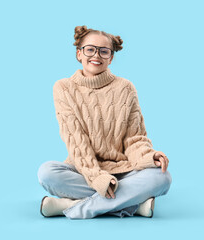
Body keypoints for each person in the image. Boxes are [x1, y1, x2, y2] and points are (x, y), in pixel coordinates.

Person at [37, 25, 172, 219]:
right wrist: (97, 177)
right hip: (85, 170)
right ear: (79, 54)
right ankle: (133, 205)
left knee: (163, 177)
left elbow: (135, 138)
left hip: (124, 171)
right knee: (47, 172)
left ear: (111, 57)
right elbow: (76, 141)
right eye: (90, 49)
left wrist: (149, 156)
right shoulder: (63, 87)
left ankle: (73, 207)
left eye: (104, 51)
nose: (96, 55)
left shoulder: (125, 88)